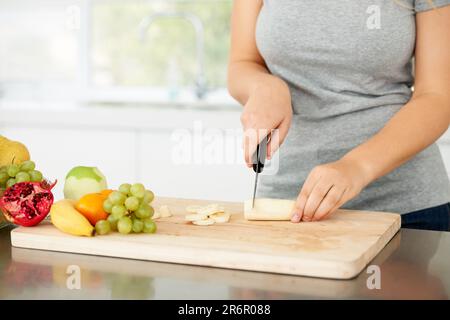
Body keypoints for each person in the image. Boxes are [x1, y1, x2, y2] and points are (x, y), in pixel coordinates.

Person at [227, 0, 450, 231]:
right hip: (286, 204)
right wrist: (263, 86)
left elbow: (436, 97)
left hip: (406, 209)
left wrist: (357, 166)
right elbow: (242, 63)